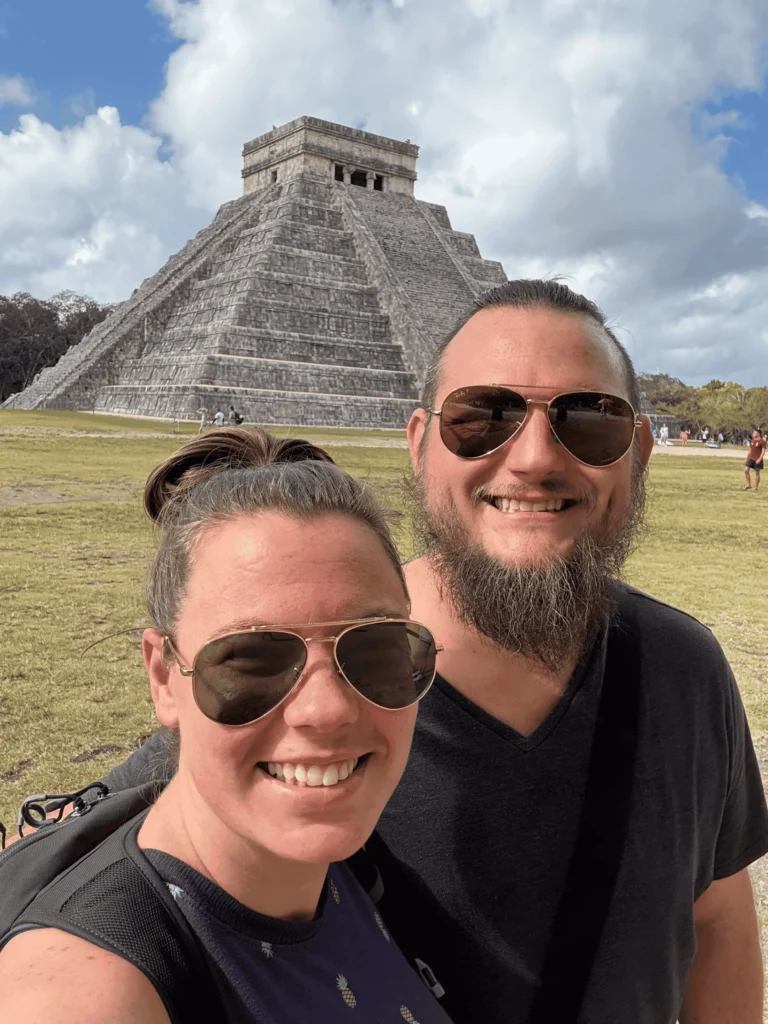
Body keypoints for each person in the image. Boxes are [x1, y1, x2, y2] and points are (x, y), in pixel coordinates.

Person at [23, 281, 768, 1022]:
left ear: (638, 451)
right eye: (483, 417)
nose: (535, 457)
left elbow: (717, 917)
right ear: (419, 443)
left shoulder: (684, 666)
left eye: (590, 419)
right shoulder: (304, 714)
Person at [0, 429, 451, 1024]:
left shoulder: (350, 868)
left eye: (375, 649)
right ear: (165, 677)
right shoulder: (90, 994)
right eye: (250, 659)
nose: (328, 710)